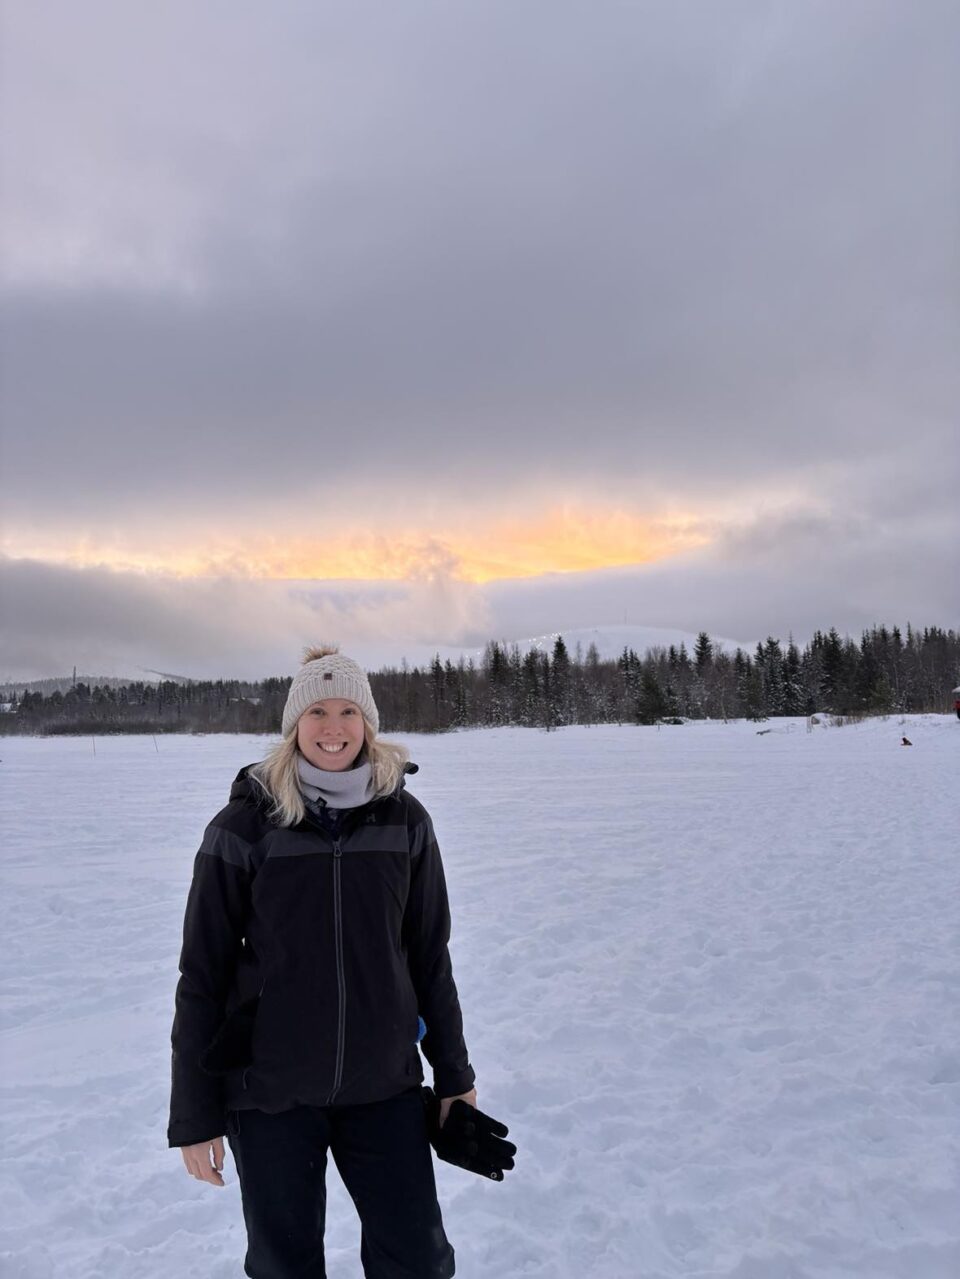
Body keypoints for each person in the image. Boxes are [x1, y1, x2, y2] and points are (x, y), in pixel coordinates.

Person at [167, 645, 487, 1278]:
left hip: (385, 1089)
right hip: (270, 1097)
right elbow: (201, 977)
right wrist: (195, 1114)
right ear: (294, 726)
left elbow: (429, 956)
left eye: (347, 711)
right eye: (317, 711)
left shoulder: (405, 822)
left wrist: (453, 1075)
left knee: (419, 1260)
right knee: (284, 1266)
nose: (333, 728)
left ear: (367, 722)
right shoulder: (243, 829)